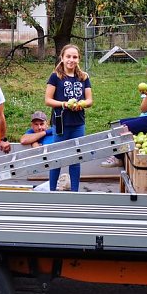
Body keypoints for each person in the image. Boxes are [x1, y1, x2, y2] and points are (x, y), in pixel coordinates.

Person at [45, 44, 93, 192]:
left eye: (74, 57)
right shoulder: (55, 76)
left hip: (78, 123)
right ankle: (52, 190)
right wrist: (64, 104)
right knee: (56, 158)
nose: (71, 60)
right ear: (62, 58)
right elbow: (48, 100)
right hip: (61, 123)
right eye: (68, 57)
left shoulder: (83, 77)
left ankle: (75, 192)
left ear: (79, 59)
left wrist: (82, 104)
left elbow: (90, 100)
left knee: (76, 158)